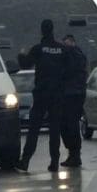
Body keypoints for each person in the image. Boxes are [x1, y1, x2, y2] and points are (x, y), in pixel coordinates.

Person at [17, 19, 66, 172]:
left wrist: (21, 54)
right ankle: (55, 162)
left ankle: (25, 161)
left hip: (42, 94)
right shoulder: (62, 49)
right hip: (57, 94)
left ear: (42, 31)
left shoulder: (38, 49)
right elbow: (70, 68)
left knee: (34, 129)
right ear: (53, 30)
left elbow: (25, 64)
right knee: (55, 129)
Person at [60, 34, 88, 167]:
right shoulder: (80, 55)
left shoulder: (73, 54)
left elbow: (67, 71)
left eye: (66, 44)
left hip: (70, 94)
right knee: (71, 125)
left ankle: (74, 154)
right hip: (77, 93)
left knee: (69, 125)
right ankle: (74, 154)